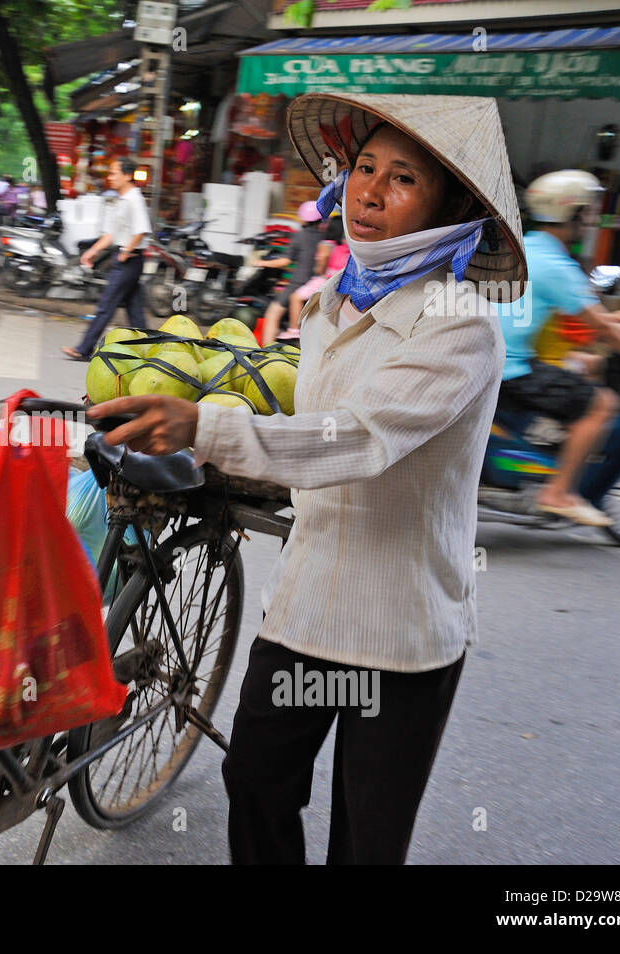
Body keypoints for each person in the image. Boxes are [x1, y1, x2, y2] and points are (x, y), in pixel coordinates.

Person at [89, 93, 529, 864]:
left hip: (400, 638)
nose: (369, 192)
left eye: (402, 180)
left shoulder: (460, 326)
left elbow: (356, 438)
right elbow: (301, 433)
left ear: (451, 205)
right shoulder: (329, 305)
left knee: (365, 835)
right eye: (364, 169)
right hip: (308, 615)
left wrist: (207, 427)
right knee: (256, 781)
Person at [493, 169, 620, 526]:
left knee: (583, 372)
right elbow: (600, 327)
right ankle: (558, 493)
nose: (592, 218)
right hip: (512, 369)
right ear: (573, 213)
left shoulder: (525, 246)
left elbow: (593, 318)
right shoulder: (557, 265)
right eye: (589, 210)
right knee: (602, 404)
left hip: (495, 361)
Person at [61, 158, 152, 360]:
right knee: (135, 311)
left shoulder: (134, 199)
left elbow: (141, 231)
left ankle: (84, 348)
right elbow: (110, 235)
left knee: (106, 305)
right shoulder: (122, 200)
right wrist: (92, 251)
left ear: (127, 176)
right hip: (126, 259)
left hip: (129, 260)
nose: (109, 177)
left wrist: (126, 251)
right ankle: (149, 351)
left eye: (113, 173)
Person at [256, 200, 326, 345]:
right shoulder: (323, 237)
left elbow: (285, 261)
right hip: (316, 283)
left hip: (298, 283)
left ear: (303, 218)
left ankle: (266, 350)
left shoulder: (299, 237)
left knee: (273, 312)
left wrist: (262, 262)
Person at [280, 215, 349, 339]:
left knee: (295, 297)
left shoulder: (326, 244)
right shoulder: (345, 246)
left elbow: (322, 260)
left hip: (326, 279)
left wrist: (318, 269)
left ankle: (294, 330)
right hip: (342, 281)